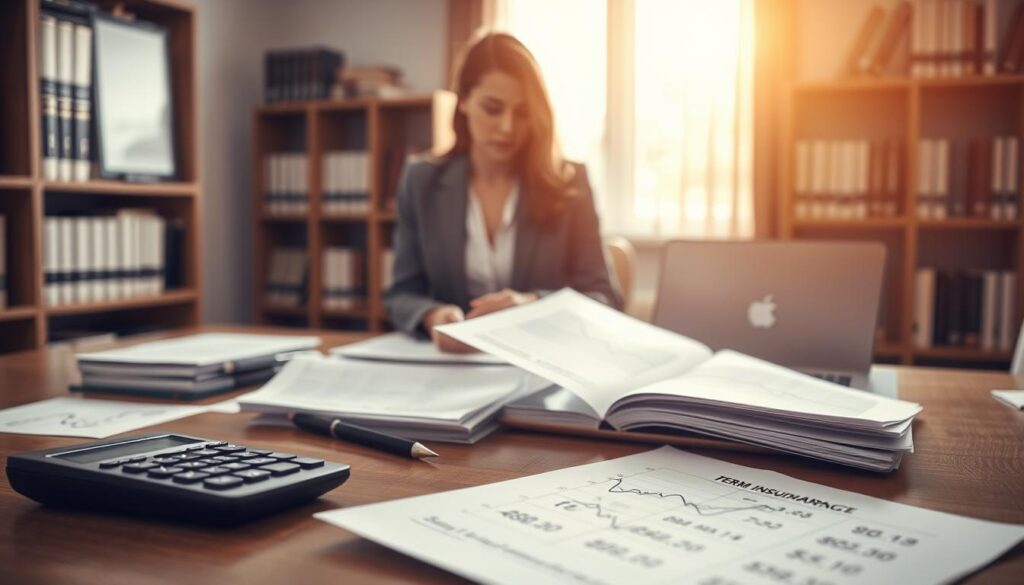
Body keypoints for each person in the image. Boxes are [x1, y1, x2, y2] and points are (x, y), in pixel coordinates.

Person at [386, 32, 621, 352]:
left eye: (522, 113)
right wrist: (433, 316)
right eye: (493, 108)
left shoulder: (570, 182)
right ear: (464, 101)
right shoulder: (420, 181)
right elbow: (401, 295)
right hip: (455, 367)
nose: (508, 127)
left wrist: (532, 305)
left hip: (543, 363)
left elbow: (604, 297)